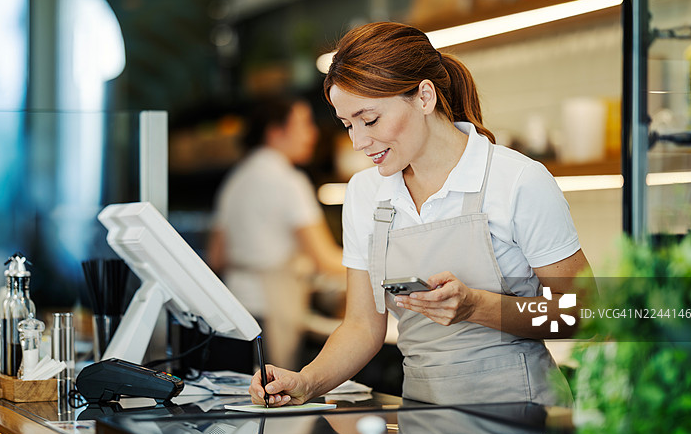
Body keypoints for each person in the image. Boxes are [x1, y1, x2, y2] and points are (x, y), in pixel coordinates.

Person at [249, 22, 593, 407]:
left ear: (424, 97)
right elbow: (363, 326)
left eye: (370, 119)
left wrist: (476, 306)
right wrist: (306, 381)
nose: (359, 142)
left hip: (520, 421)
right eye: (348, 125)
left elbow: (582, 313)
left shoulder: (517, 181)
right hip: (423, 418)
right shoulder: (366, 193)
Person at [208, 96, 345, 370]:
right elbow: (324, 259)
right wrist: (377, 270)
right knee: (271, 399)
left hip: (233, 310)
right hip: (270, 311)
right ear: (275, 132)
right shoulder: (289, 181)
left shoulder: (235, 180)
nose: (313, 134)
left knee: (240, 402)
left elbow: (216, 257)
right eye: (304, 124)